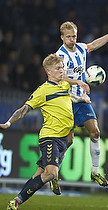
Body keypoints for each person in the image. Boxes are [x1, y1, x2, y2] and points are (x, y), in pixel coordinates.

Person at [0, 53, 89, 210]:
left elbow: (67, 99)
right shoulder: (42, 91)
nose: (62, 71)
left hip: (64, 137)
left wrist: (82, 97)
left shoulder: (64, 85)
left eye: (62, 68)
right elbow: (24, 109)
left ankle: (16, 201)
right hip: (50, 136)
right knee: (50, 173)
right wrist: (8, 123)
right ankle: (52, 175)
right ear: (49, 71)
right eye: (58, 68)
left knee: (39, 174)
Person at [55, 20, 108, 188]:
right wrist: (77, 82)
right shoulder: (60, 56)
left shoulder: (80, 48)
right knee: (68, 141)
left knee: (95, 132)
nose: (72, 40)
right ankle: (54, 174)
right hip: (66, 101)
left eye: (74, 36)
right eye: (69, 37)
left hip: (81, 100)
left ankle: (95, 171)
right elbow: (59, 77)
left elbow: (94, 44)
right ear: (62, 37)